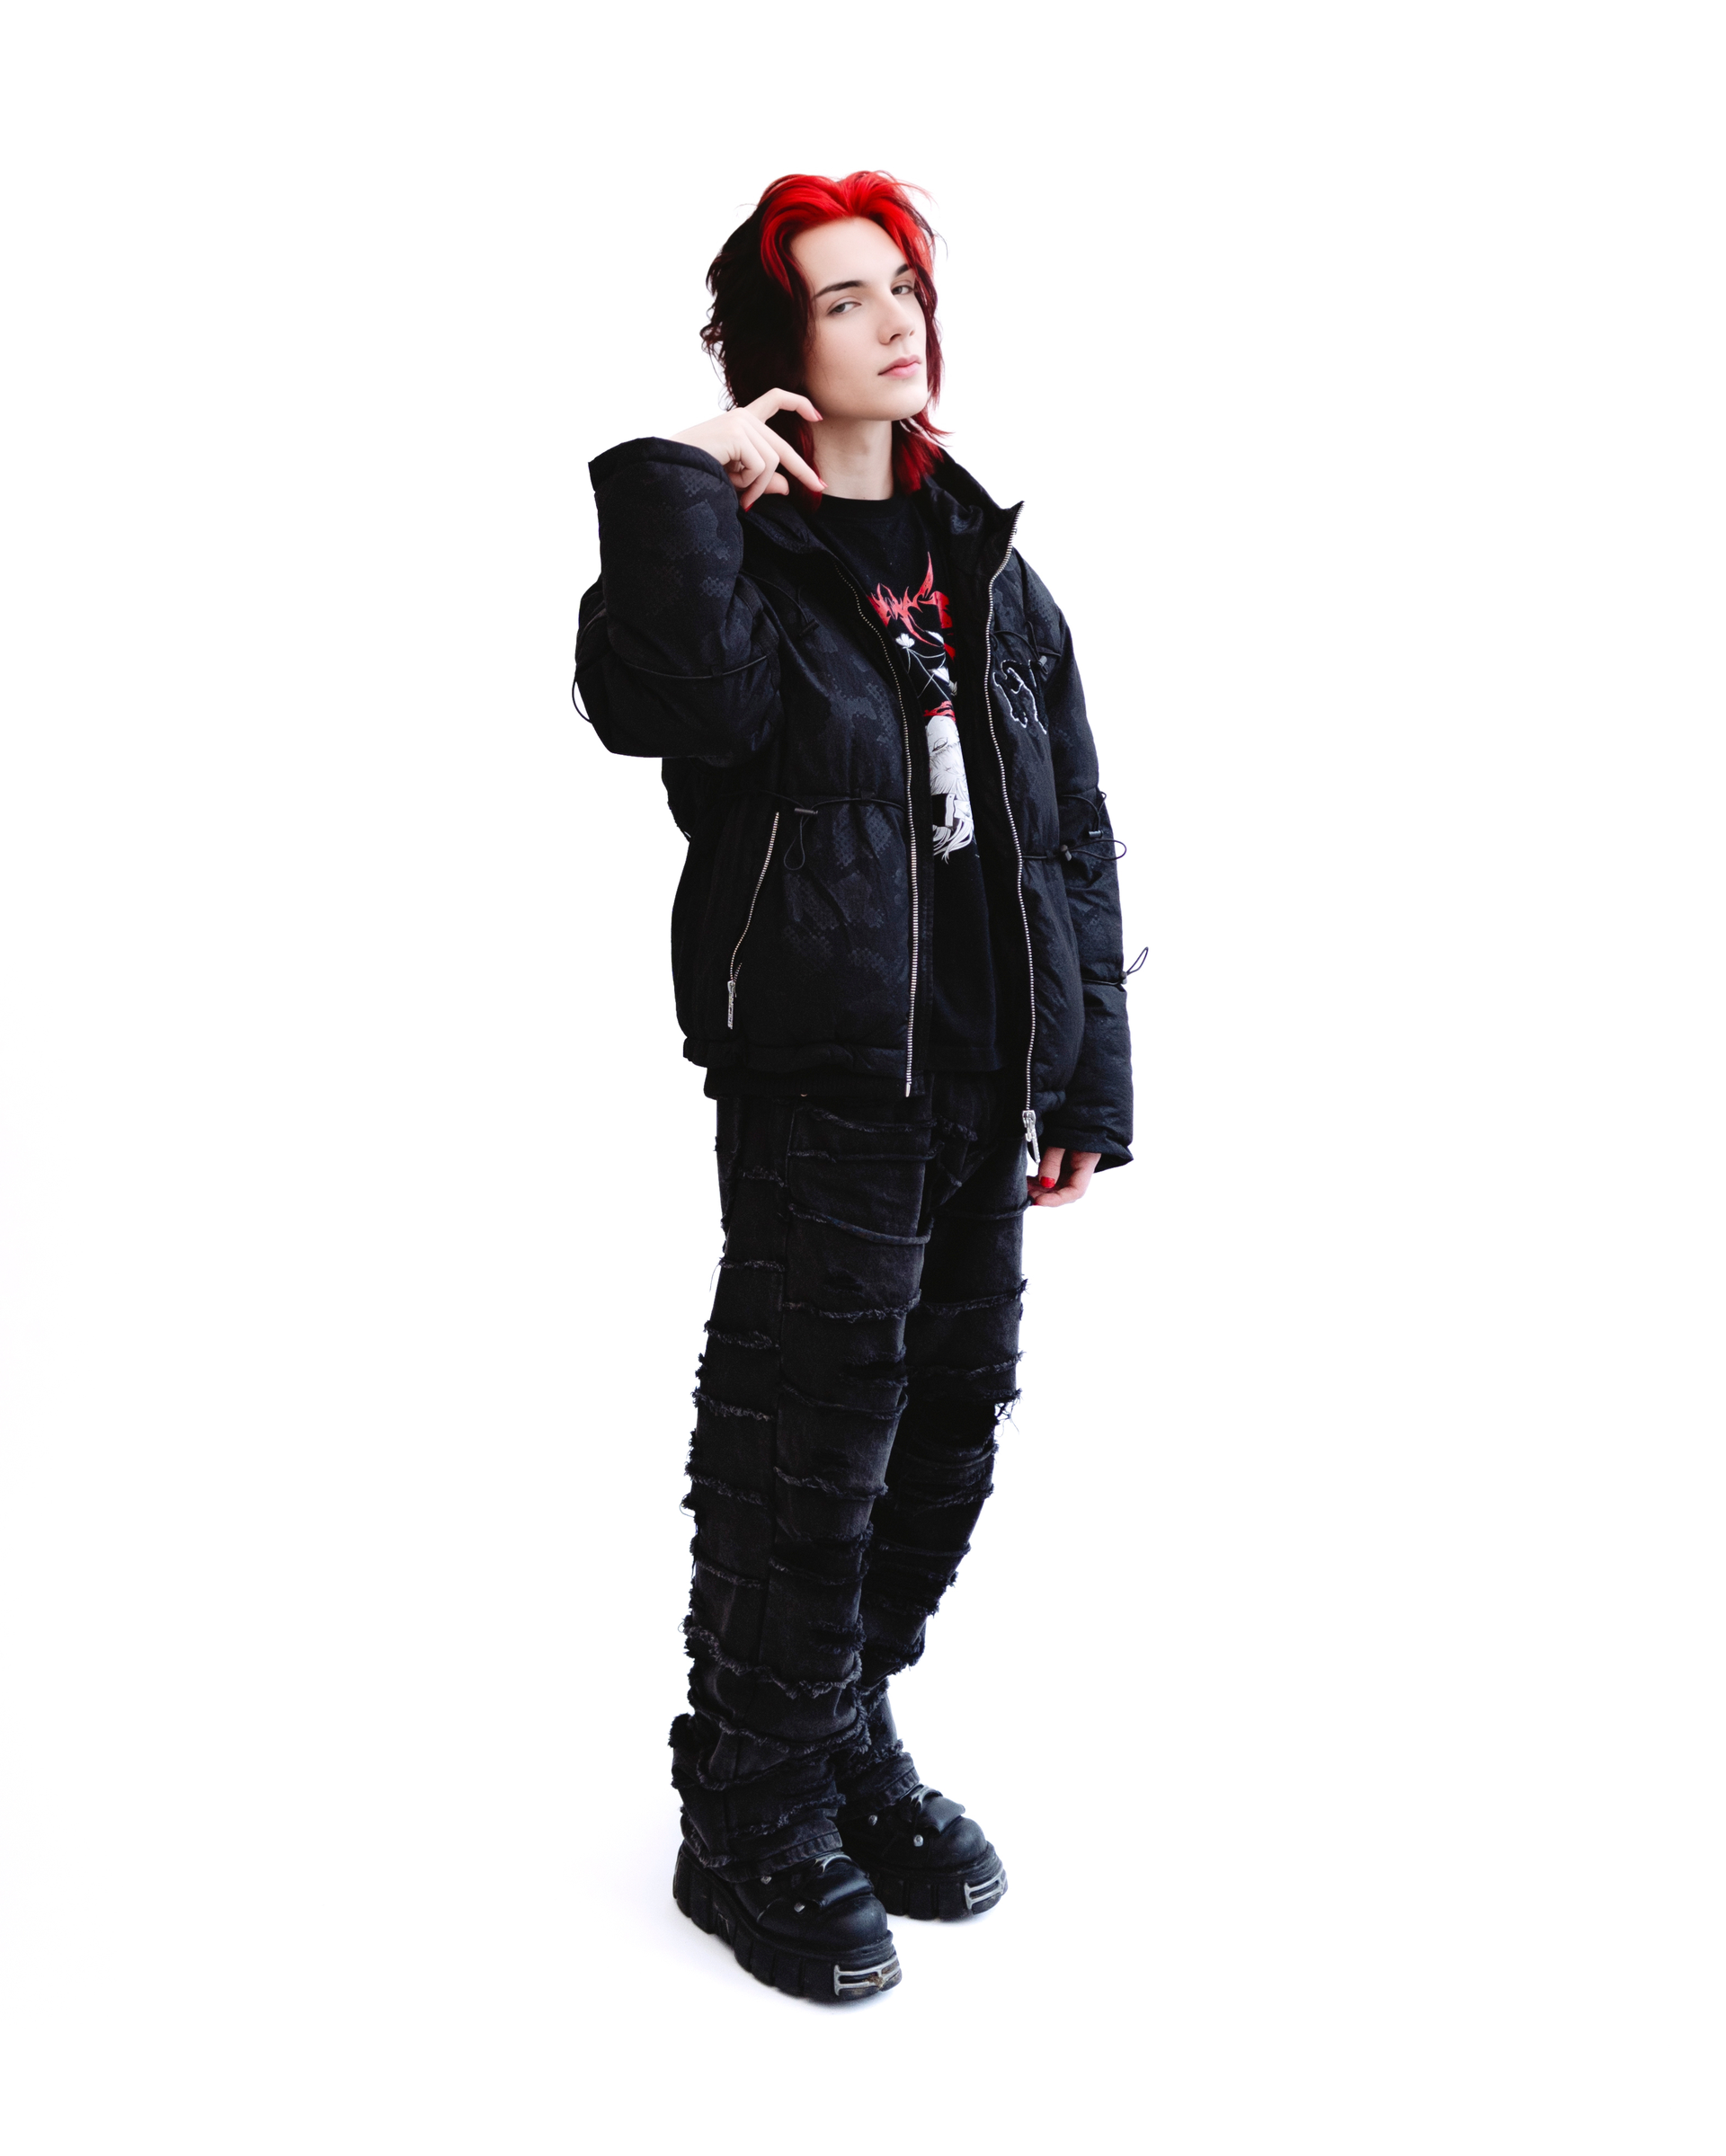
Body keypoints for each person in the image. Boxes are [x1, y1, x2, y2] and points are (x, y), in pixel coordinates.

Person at [574, 171, 1134, 2002]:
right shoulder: (739, 560)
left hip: (983, 1082)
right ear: (777, 349)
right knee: (805, 1446)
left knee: (948, 1432)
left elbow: (1071, 830)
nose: (892, 320)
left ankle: (839, 1726)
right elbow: (659, 707)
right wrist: (684, 480)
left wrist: (1087, 1076)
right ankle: (744, 1802)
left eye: (901, 285)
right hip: (825, 1082)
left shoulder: (992, 562)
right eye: (841, 299)